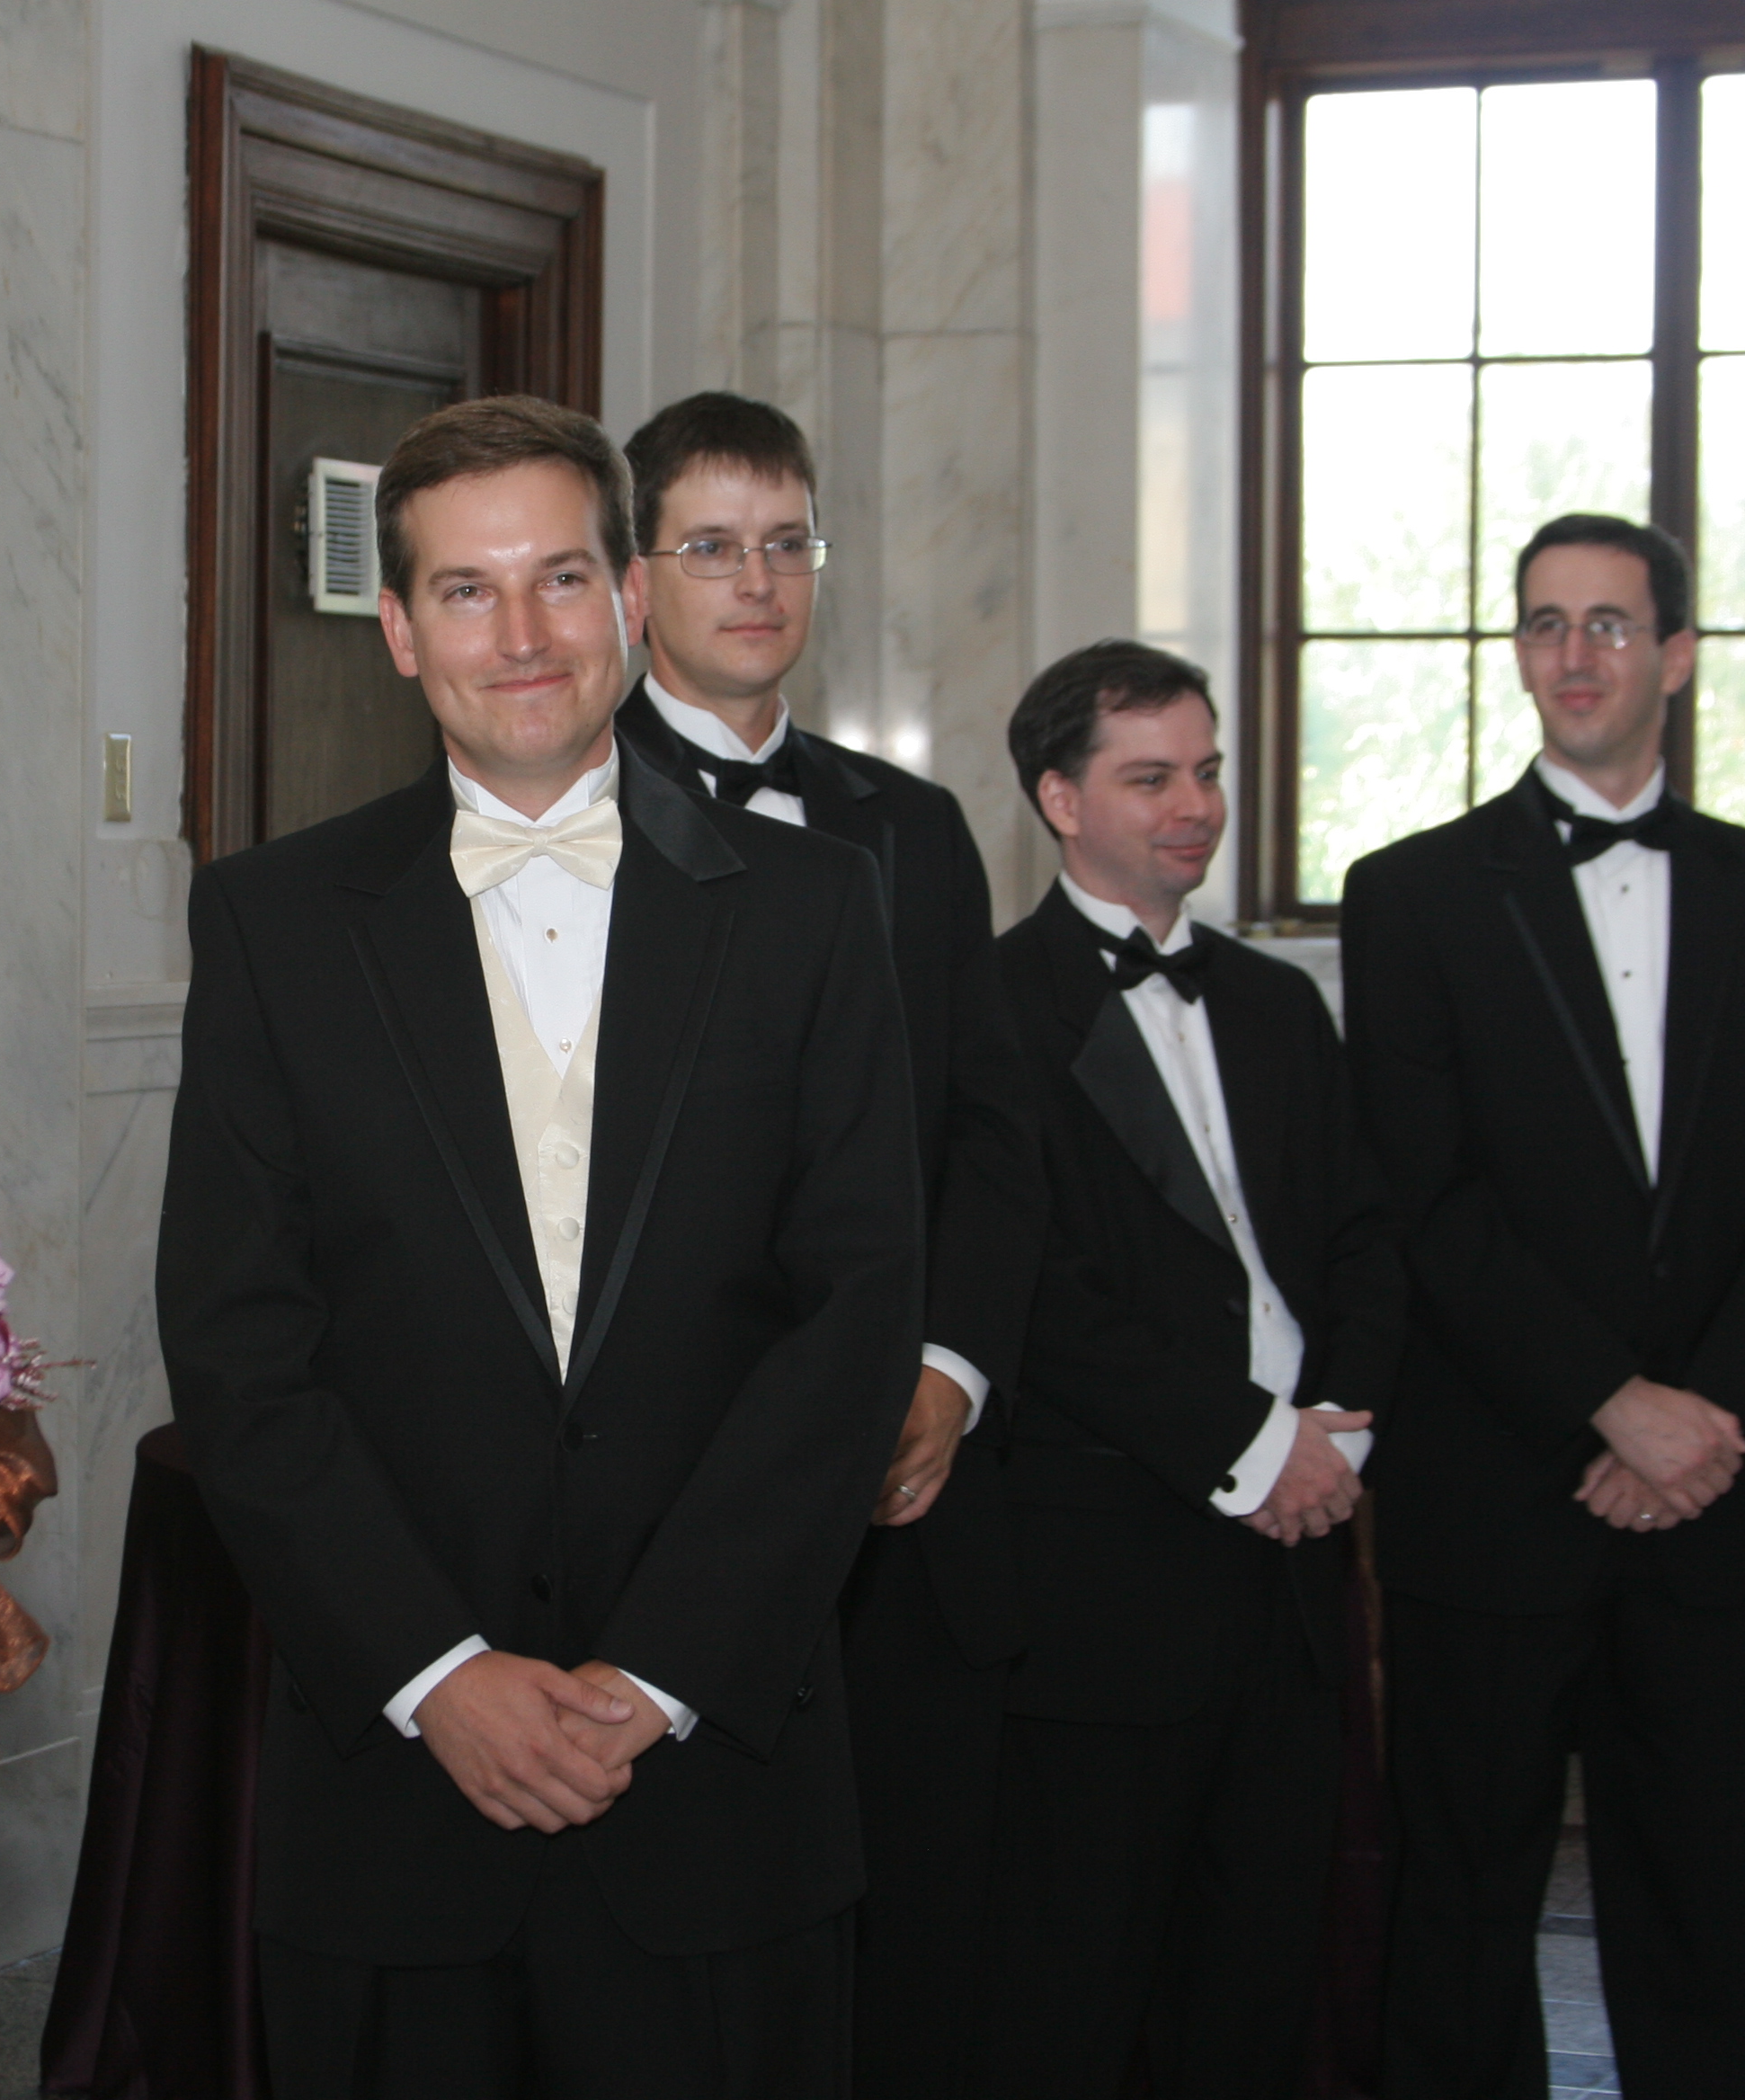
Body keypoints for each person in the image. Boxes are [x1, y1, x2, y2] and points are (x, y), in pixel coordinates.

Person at [159, 394, 922, 2099]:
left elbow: (856, 1316)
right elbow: (238, 1344)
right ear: (398, 630)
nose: (522, 635)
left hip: (720, 1784)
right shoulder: (273, 923)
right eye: (467, 590)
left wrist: (662, 1672)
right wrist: (435, 1673)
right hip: (396, 1794)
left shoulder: (814, 911)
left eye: (561, 579)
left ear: (630, 601)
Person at [1346, 515, 1745, 2100]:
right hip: (1493, 1492)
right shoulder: (1411, 893)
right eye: (1545, 624)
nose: (1573, 656)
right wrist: (1611, 1403)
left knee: (1703, 1896)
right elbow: (1428, 1201)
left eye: (1610, 625)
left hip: (1707, 1497)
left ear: (1678, 657)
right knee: (1460, 1900)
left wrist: (1701, 1422)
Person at [609, 390, 1039, 2090]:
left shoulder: (909, 829)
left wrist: (946, 1373)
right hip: (669, 1484)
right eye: (713, 546)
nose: (757, 581)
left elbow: (989, 1138)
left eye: (787, 544)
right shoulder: (568, 809)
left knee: (910, 1924)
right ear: (637, 579)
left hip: (898, 1489)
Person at [975, 640, 1402, 2097]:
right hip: (1108, 1576)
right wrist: (1249, 1445)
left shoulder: (1280, 1004)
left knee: (1261, 1970)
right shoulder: (989, 1007)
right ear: (1060, 799)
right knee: (1078, 1984)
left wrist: (1335, 1437)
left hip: (1296, 1563)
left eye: (1207, 772)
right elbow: (1036, 1294)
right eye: (1151, 777)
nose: (1197, 806)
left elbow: (1365, 1238)